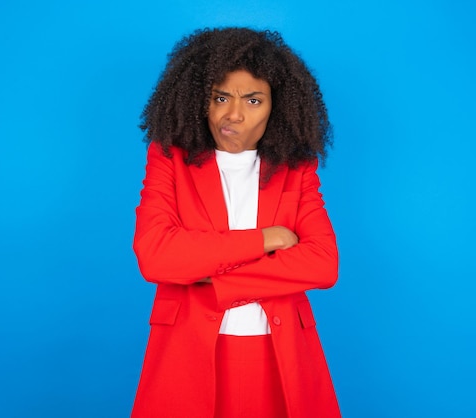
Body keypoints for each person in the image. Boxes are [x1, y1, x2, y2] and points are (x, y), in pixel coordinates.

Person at [131, 27, 341, 418]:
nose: (234, 115)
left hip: (279, 354)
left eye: (253, 100)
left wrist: (218, 280)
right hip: (188, 350)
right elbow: (157, 256)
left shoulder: (296, 169)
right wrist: (266, 239)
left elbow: (323, 263)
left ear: (275, 107)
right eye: (221, 97)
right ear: (200, 101)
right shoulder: (168, 159)